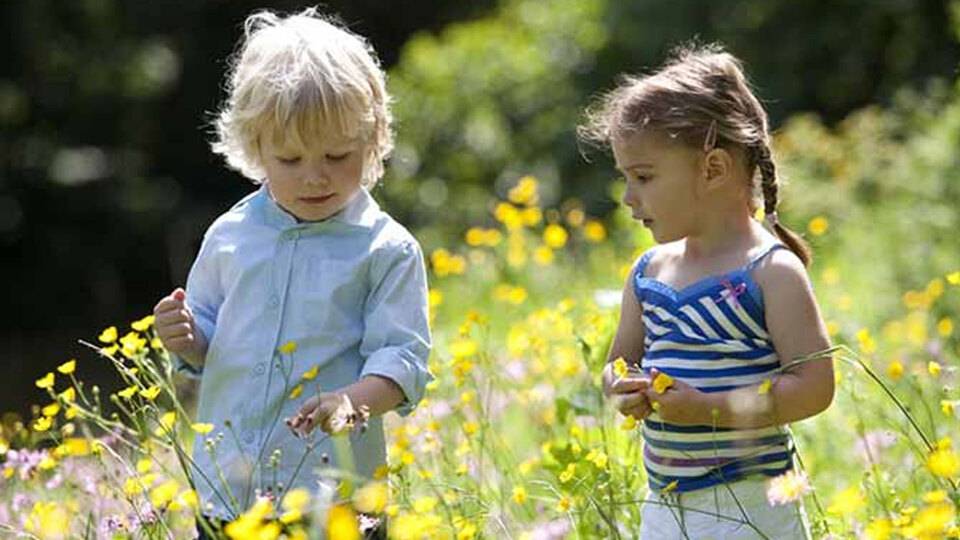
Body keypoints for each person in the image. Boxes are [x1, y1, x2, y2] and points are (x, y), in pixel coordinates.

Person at [152, 7, 432, 538]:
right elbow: (208, 345)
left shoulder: (386, 249)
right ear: (255, 149)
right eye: (290, 159)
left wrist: (353, 400)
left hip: (334, 495)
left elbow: (404, 359)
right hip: (228, 491)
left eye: (336, 154)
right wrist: (188, 339)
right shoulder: (229, 236)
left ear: (372, 141)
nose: (314, 176)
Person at [581, 43, 833, 539]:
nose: (629, 197)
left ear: (713, 169)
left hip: (754, 506)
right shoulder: (649, 272)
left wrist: (710, 409)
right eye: (625, 178)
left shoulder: (770, 272)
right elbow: (617, 367)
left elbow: (815, 387)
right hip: (665, 507)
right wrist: (621, 390)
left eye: (644, 177)